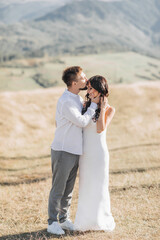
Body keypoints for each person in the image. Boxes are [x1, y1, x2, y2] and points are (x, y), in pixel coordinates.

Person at [47, 66, 100, 235]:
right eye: (83, 78)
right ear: (74, 82)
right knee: (58, 188)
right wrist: (93, 105)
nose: (87, 80)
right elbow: (82, 121)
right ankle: (52, 222)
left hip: (74, 150)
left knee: (68, 189)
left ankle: (63, 219)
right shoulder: (66, 101)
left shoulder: (75, 98)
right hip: (63, 150)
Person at [74, 75, 116, 231]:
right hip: (85, 154)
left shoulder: (110, 109)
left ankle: (100, 220)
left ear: (100, 89)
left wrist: (102, 108)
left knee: (99, 186)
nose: (89, 91)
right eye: (88, 88)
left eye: (91, 88)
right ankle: (84, 222)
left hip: (99, 154)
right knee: (86, 186)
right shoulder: (85, 106)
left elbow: (100, 129)